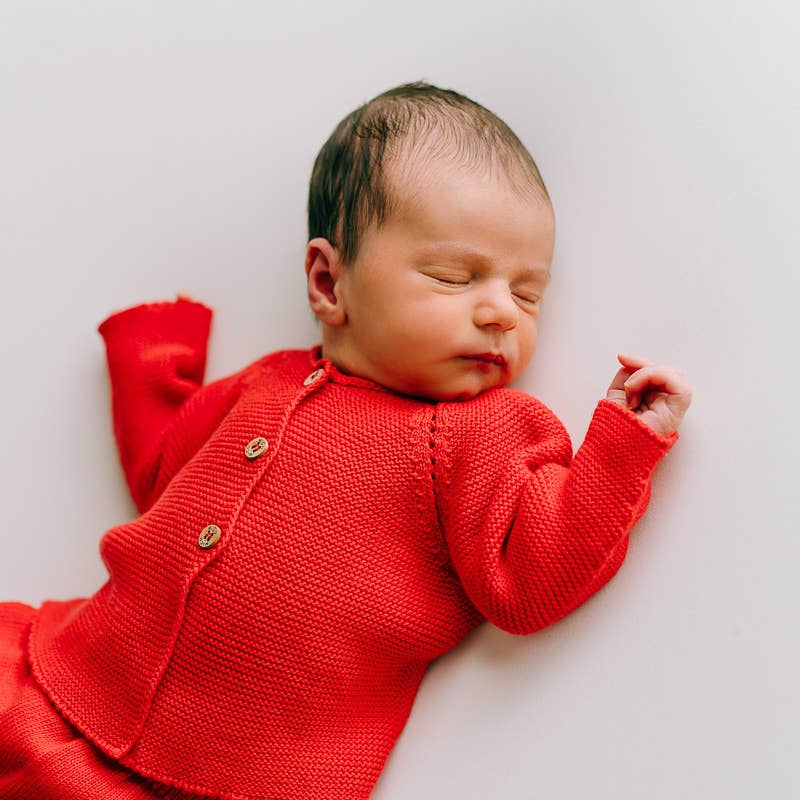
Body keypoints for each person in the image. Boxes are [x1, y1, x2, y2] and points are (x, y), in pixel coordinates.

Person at [0, 81, 692, 800]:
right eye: (455, 277)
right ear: (330, 282)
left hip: (238, 781)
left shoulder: (477, 435)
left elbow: (531, 577)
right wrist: (152, 362)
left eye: (527, 294)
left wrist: (621, 446)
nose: (498, 313)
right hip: (60, 686)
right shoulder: (265, 383)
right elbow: (165, 471)